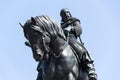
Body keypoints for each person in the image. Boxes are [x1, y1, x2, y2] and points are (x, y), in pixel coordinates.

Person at [60, 8, 97, 80]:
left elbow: (79, 29)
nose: (66, 14)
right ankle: (41, 72)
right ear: (62, 17)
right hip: (62, 42)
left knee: (82, 51)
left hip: (72, 40)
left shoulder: (74, 21)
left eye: (67, 12)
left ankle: (91, 70)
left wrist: (71, 28)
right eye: (64, 14)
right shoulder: (60, 27)